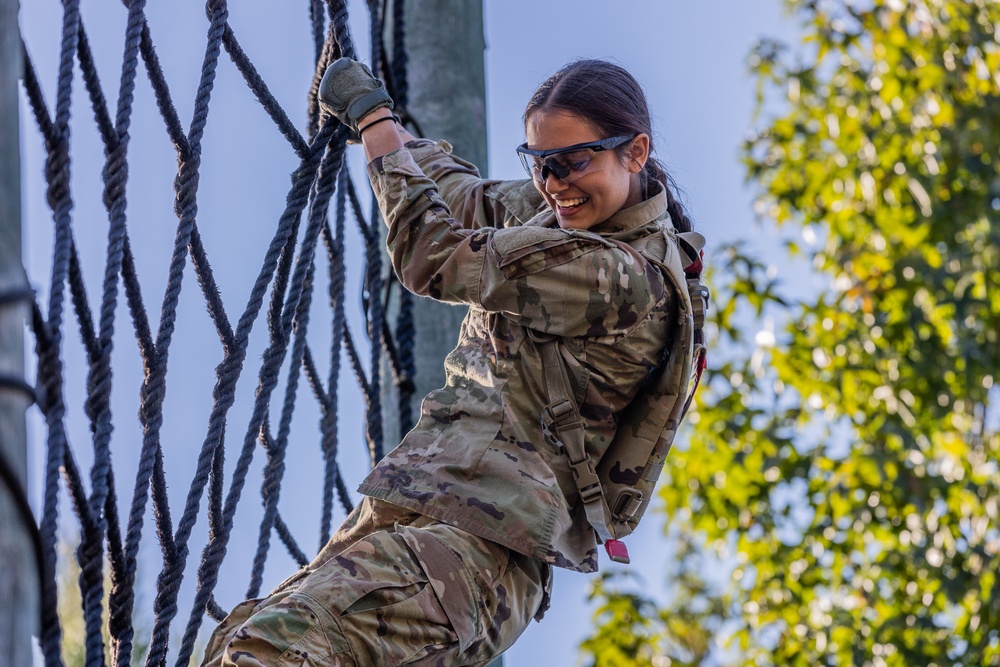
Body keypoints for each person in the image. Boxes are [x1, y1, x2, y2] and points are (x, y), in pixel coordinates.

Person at [201, 57, 697, 667]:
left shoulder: (621, 278)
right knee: (232, 643)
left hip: (477, 556)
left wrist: (374, 119)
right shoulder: (561, 213)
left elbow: (432, 254)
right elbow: (462, 198)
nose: (554, 183)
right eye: (539, 164)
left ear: (636, 151)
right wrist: (384, 122)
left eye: (573, 162)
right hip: (429, 510)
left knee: (270, 649)